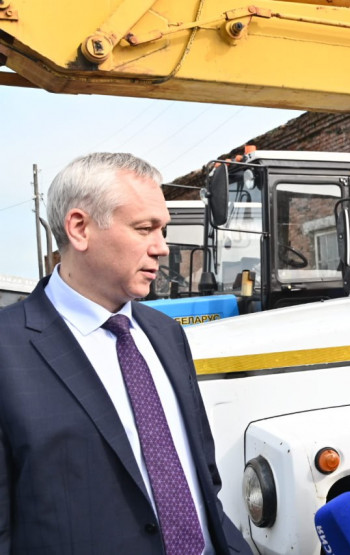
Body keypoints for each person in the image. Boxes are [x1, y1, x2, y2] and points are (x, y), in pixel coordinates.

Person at [0, 153, 250, 554]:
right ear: (80, 228)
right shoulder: (8, 349)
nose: (162, 248)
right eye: (144, 228)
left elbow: (203, 479)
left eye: (163, 229)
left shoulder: (166, 334)